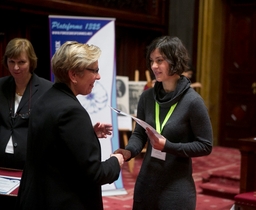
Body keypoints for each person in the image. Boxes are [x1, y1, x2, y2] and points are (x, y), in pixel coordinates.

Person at [16, 41, 124, 210]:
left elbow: (54, 145)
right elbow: (95, 173)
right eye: (94, 70)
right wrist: (116, 161)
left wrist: (86, 134)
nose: (98, 76)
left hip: (37, 198)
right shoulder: (72, 112)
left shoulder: (45, 98)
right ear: (74, 75)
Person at [114, 36, 213, 210]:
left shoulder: (193, 102)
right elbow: (139, 133)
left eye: (159, 61)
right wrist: (129, 151)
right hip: (146, 182)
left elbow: (205, 145)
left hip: (176, 188)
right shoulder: (147, 97)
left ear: (174, 61)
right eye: (152, 61)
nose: (153, 66)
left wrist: (168, 146)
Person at [0, 38, 53, 170]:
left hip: (32, 164)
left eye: (21, 62)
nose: (16, 67)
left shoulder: (47, 89)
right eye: (11, 62)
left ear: (31, 62)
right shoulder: (1, 85)